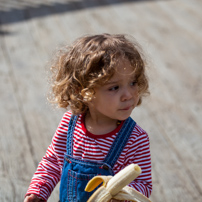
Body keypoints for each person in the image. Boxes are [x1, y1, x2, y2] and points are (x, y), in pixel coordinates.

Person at [24, 33, 152, 202]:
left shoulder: (135, 138)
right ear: (83, 91)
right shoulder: (70, 123)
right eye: (114, 87)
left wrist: (123, 195)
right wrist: (37, 192)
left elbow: (143, 184)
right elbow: (53, 162)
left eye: (133, 83)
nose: (128, 94)